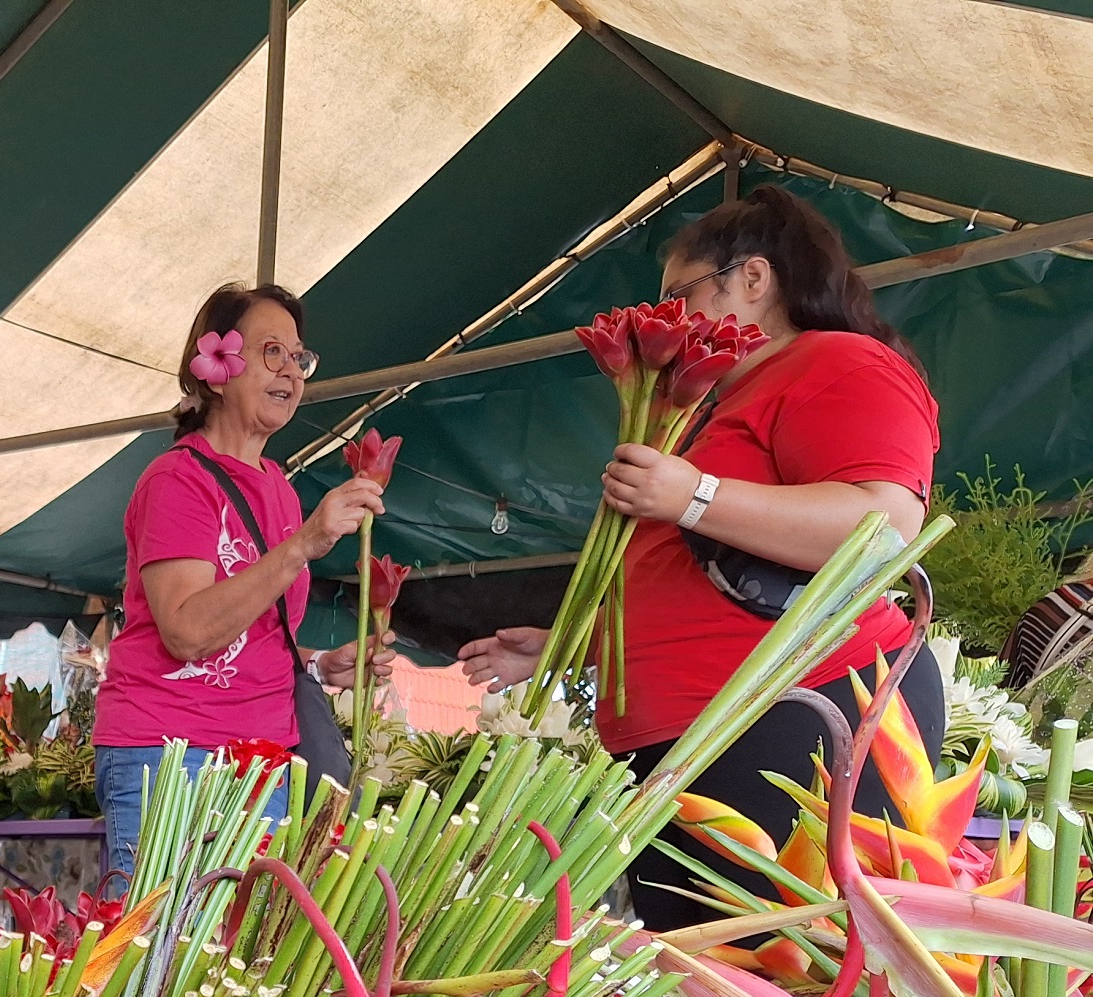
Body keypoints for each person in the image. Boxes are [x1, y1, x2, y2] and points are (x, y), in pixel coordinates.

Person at [461, 185, 944, 930]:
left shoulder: (840, 363)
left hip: (798, 712)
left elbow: (884, 525)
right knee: (701, 995)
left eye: (680, 295)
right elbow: (697, 582)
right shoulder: (717, 404)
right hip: (700, 737)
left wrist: (692, 495)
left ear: (753, 279)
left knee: (772, 980)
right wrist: (574, 648)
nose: (671, 318)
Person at [96, 282, 393, 880]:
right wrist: (305, 544)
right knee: (163, 954)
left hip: (262, 760)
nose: (291, 370)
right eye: (271, 352)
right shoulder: (178, 480)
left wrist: (314, 663)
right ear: (215, 369)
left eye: (299, 357)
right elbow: (186, 631)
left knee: (239, 958)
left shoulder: (279, 488)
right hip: (171, 753)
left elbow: (247, 632)